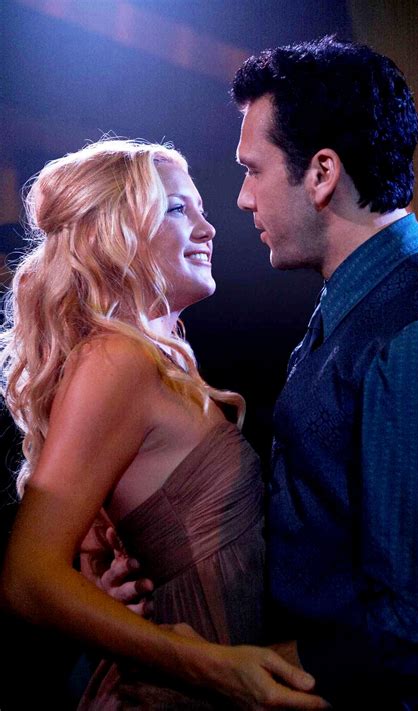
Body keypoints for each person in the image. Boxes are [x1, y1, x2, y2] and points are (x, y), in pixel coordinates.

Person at [0, 139, 327, 710]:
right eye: (177, 209)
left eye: (201, 209)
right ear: (113, 231)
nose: (208, 229)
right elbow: (27, 579)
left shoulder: (157, 360)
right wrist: (213, 668)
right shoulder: (117, 360)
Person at [230, 36, 418, 709]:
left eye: (254, 170)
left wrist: (230, 673)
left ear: (321, 173)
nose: (244, 198)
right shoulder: (367, 296)